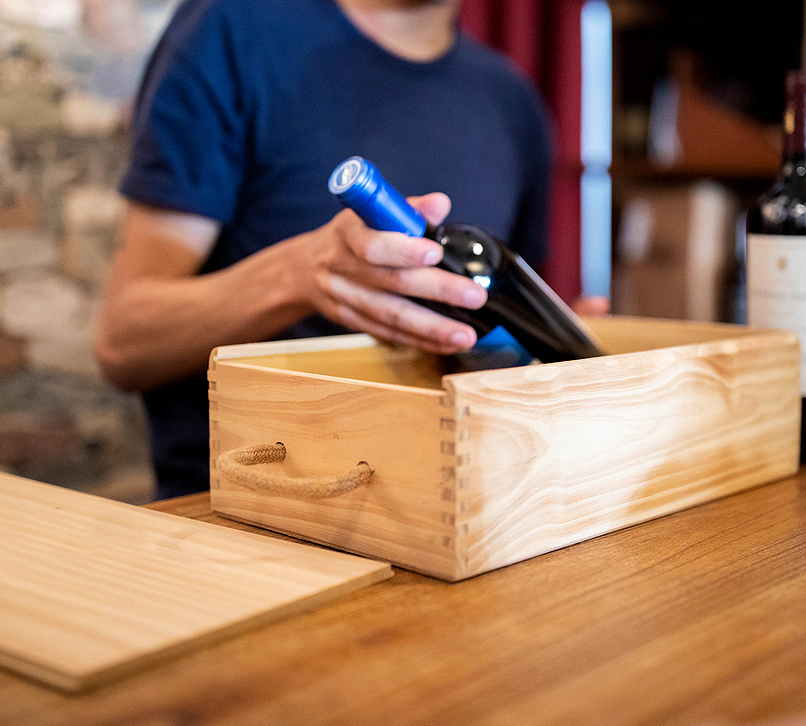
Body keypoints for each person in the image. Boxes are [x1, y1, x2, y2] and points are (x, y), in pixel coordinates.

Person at [94, 0, 579, 499]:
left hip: (450, 499)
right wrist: (301, 276)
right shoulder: (234, 30)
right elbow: (123, 343)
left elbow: (504, 328)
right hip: (250, 505)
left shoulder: (511, 100)